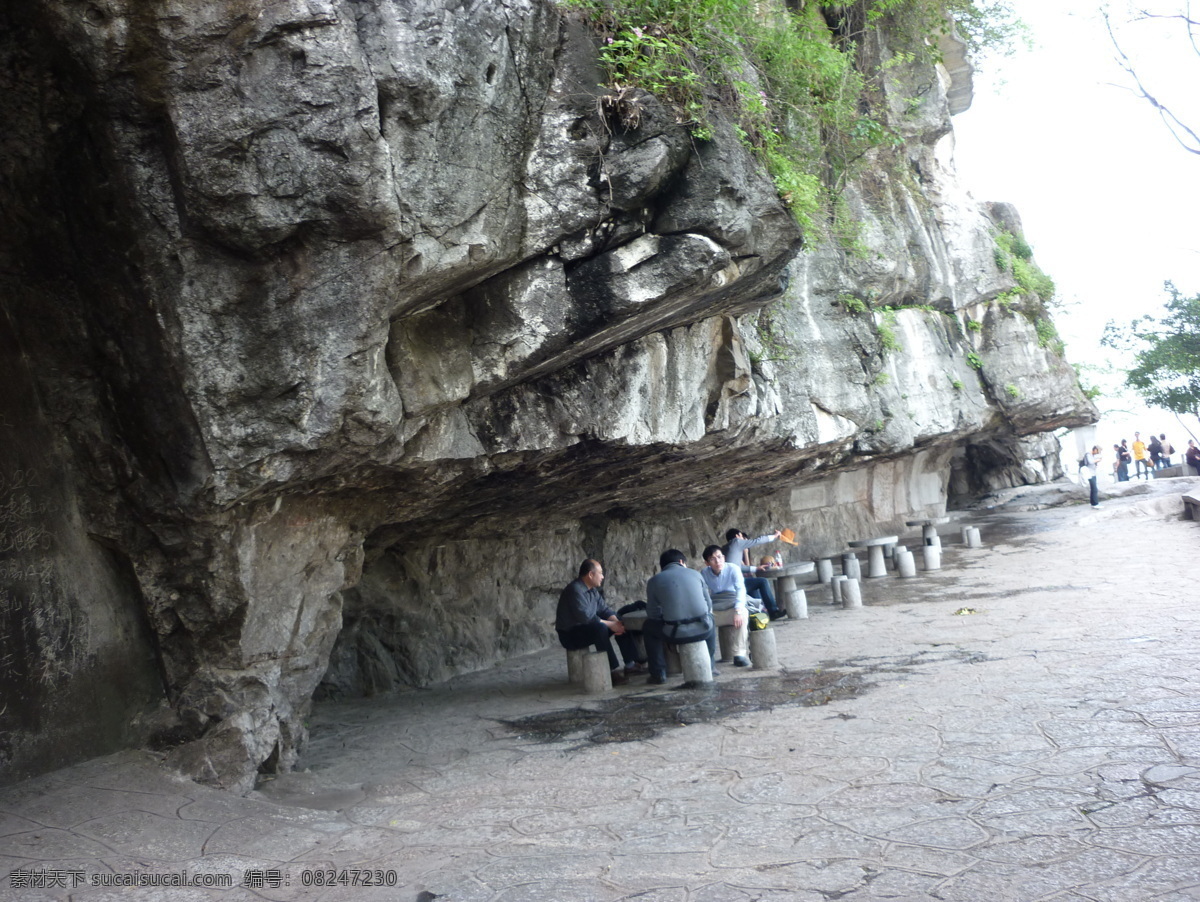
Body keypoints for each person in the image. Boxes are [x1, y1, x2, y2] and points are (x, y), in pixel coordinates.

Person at [555, 559, 639, 685]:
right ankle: (611, 671)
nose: (603, 576)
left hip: (586, 628)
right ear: (590, 574)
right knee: (600, 629)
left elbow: (604, 609)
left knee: (621, 621)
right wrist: (611, 625)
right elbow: (586, 617)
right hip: (570, 634)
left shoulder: (592, 590)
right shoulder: (574, 590)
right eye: (600, 573)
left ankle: (630, 664)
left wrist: (617, 622)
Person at [643, 549, 719, 685]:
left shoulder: (654, 581)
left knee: (648, 626)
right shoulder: (696, 574)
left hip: (674, 633)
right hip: (703, 630)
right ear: (681, 562)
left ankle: (658, 673)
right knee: (711, 618)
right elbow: (708, 605)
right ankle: (711, 666)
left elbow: (652, 614)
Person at [701, 545, 751, 667]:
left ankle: (739, 654)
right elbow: (703, 594)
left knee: (743, 614)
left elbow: (740, 589)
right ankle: (706, 657)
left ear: (723, 557)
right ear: (707, 563)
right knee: (702, 618)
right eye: (713, 559)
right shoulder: (704, 573)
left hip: (732, 602)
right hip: (716, 604)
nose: (717, 561)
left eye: (719, 557)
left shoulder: (733, 568)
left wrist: (738, 610)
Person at [723, 528, 784, 620]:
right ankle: (773, 611)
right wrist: (774, 536)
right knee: (762, 582)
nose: (743, 538)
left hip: (730, 583)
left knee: (754, 584)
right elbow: (757, 541)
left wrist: (756, 568)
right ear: (737, 536)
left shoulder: (726, 548)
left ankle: (761, 612)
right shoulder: (736, 542)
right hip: (734, 584)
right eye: (741, 536)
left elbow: (737, 567)